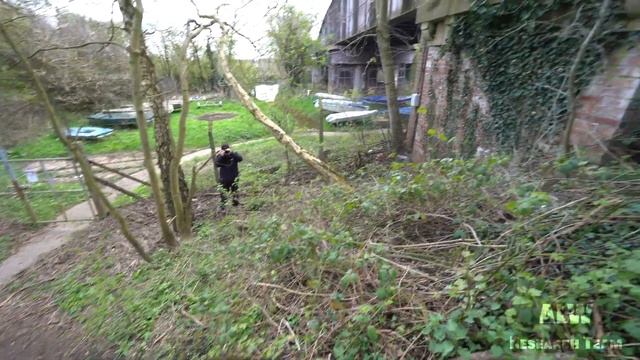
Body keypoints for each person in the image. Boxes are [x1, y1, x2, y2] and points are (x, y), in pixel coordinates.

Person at [215, 144, 243, 209]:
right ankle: (223, 206)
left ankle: (235, 204)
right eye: (224, 150)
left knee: (235, 191)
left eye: (227, 149)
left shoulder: (234, 155)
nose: (226, 151)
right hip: (224, 178)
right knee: (223, 193)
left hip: (234, 177)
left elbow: (240, 159)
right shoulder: (220, 156)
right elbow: (216, 164)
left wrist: (232, 153)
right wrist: (221, 155)